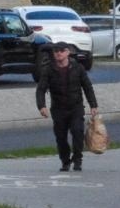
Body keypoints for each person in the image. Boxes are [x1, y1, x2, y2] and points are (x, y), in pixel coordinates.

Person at [37, 44, 99, 172]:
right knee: (61, 137)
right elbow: (41, 89)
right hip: (58, 109)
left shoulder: (78, 68)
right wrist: (42, 106)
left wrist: (93, 105)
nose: (58, 53)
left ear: (67, 52)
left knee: (77, 131)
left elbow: (87, 87)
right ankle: (65, 161)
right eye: (56, 51)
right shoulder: (48, 69)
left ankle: (77, 159)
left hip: (76, 107)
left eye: (61, 50)